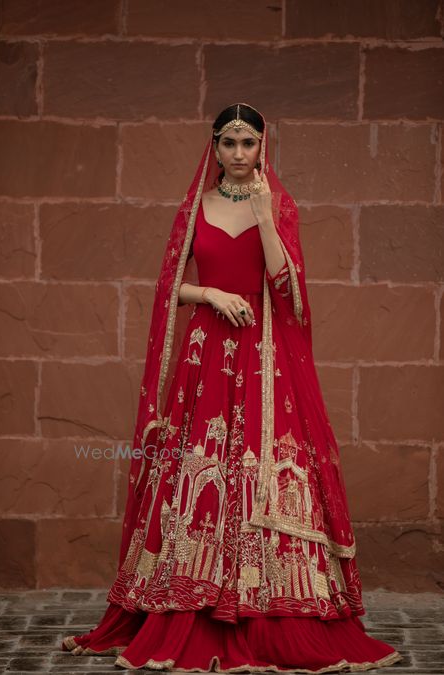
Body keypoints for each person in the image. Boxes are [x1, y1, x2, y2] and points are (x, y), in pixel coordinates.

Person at [62, 103, 403, 672]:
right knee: (199, 475)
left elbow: (287, 288)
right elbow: (169, 286)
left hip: (265, 361)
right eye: (229, 143)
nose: (239, 154)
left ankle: (268, 607)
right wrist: (212, 295)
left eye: (249, 143)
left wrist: (267, 216)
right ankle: (188, 601)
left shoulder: (281, 204)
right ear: (214, 147)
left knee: (265, 472)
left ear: (261, 147)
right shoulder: (196, 206)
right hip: (205, 358)